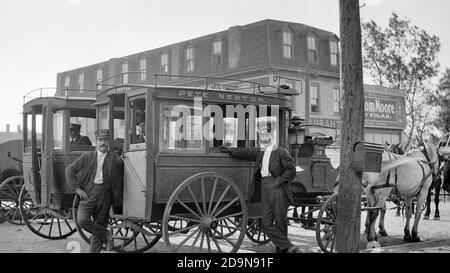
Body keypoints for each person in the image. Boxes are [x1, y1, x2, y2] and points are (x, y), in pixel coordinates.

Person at [220, 121, 301, 253]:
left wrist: (279, 182)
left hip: (278, 188)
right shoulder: (260, 152)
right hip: (264, 187)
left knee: (280, 220)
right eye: (261, 135)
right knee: (266, 223)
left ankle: (282, 249)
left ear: (271, 136)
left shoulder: (281, 152)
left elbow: (291, 171)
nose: (263, 137)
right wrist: (231, 150)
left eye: (265, 134)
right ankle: (288, 246)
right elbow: (246, 153)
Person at [65, 129, 124, 253]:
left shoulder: (115, 158)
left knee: (99, 224)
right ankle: (106, 234)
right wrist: (77, 188)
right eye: (100, 140)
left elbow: (124, 172)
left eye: (105, 140)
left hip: (105, 195)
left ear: (109, 142)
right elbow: (69, 170)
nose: (103, 143)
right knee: (82, 220)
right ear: (96, 142)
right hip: (88, 194)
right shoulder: (87, 157)